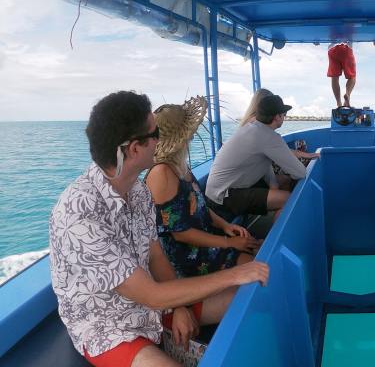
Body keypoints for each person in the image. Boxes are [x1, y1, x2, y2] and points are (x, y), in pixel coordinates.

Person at [49, 91, 269, 367]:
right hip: (109, 326)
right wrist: (234, 274)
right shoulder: (79, 213)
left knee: (248, 296)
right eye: (155, 134)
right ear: (134, 149)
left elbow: (156, 256)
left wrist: (178, 306)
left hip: (152, 305)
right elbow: (149, 294)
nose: (159, 141)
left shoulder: (138, 191)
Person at [146, 96, 261, 279]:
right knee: (255, 266)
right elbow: (180, 233)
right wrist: (228, 243)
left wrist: (225, 225)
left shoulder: (178, 164)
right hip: (187, 257)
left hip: (205, 239)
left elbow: (198, 205)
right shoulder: (162, 173)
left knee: (257, 246)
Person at [205, 94, 307, 221]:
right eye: (284, 115)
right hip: (222, 196)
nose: (284, 118)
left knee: (285, 181)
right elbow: (300, 173)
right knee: (289, 199)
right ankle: (274, 237)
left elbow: (264, 164)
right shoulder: (268, 137)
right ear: (277, 117)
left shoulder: (253, 128)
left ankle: (278, 213)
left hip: (219, 189)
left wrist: (274, 185)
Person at [327, 42, 356, 108]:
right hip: (346, 48)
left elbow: (320, 32)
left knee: (334, 77)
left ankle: (338, 102)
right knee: (352, 77)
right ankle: (347, 94)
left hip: (332, 50)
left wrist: (315, 40)